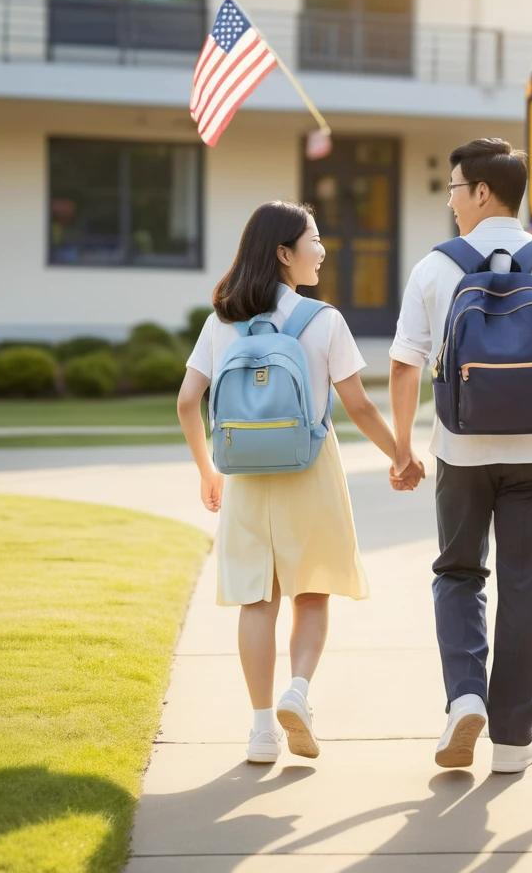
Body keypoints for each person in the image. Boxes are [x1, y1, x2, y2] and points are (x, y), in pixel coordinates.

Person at [176, 200, 424, 765]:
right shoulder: (323, 320)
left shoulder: (222, 322)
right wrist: (402, 457)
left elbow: (189, 401)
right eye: (314, 238)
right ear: (285, 253)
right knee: (310, 590)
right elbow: (358, 406)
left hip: (244, 476)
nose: (323, 248)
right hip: (309, 467)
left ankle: (262, 730)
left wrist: (206, 471)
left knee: (257, 598)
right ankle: (299, 691)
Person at [389, 138, 532, 774]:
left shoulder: (434, 267)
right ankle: (513, 741)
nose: (452, 201)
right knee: (526, 589)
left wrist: (403, 450)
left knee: (458, 573)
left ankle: (463, 697)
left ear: (482, 192)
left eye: (455, 188)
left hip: (460, 448)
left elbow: (403, 366)